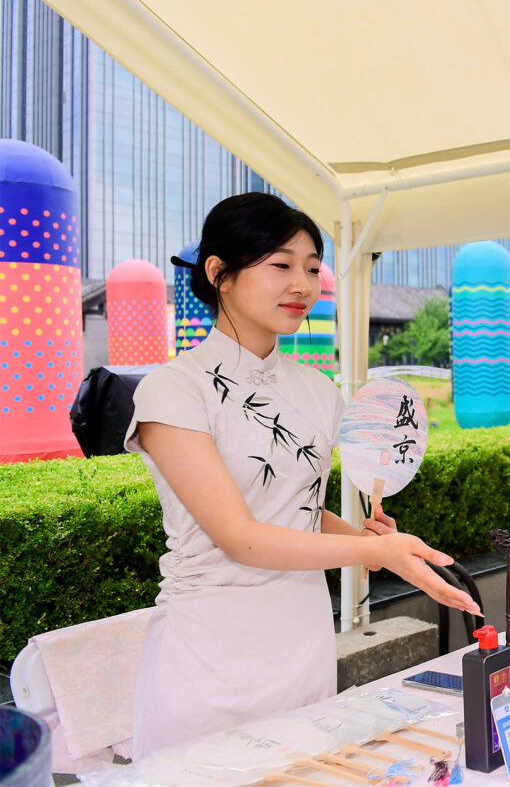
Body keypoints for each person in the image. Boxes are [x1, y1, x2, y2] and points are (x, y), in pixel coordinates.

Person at [124, 193, 481, 758]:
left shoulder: (318, 392)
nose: (304, 284)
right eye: (281, 265)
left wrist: (379, 544)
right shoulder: (173, 390)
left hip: (304, 645)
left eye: (313, 267)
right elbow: (240, 537)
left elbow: (301, 516)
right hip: (210, 657)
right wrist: (375, 556)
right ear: (219, 273)